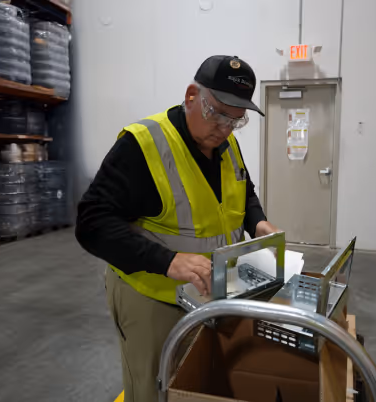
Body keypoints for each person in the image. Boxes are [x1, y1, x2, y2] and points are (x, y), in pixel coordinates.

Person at [76, 55, 280, 402]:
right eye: (217, 113)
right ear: (191, 97)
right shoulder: (143, 145)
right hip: (152, 297)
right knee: (155, 389)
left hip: (208, 294)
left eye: (236, 120)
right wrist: (168, 261)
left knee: (195, 384)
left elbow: (244, 191)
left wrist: (256, 221)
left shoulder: (227, 144)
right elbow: (91, 222)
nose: (225, 128)